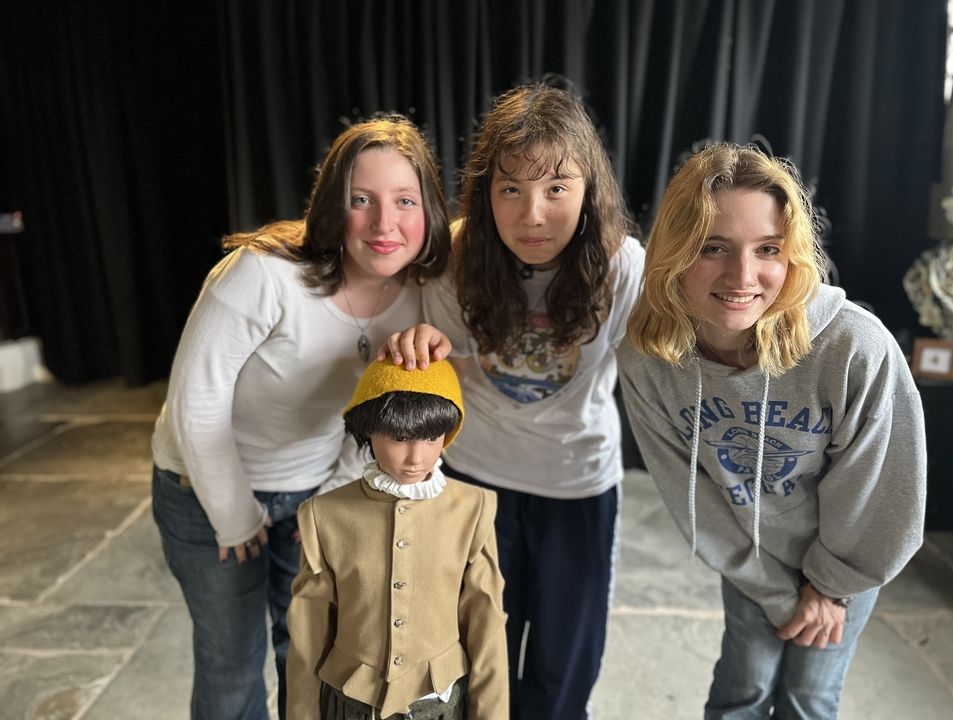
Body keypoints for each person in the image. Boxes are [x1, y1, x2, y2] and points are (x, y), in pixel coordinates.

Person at [150, 115, 451, 720]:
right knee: (231, 668)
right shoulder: (263, 275)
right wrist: (236, 517)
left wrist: (332, 492)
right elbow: (196, 401)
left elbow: (368, 416)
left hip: (312, 493)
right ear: (332, 205)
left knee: (314, 664)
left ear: (430, 212)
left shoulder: (421, 292)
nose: (384, 223)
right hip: (205, 493)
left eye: (405, 201)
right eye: (360, 200)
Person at [617, 142, 926, 719]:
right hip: (750, 554)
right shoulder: (647, 360)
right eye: (713, 248)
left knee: (808, 697)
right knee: (743, 687)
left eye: (767, 249)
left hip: (847, 559)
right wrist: (773, 589)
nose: (742, 275)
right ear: (675, 253)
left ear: (794, 257)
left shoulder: (854, 348)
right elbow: (690, 494)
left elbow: (882, 492)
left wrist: (830, 588)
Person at [387, 83, 646, 719]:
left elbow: (653, 371)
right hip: (477, 482)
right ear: (486, 192)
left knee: (563, 674)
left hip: (577, 485)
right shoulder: (456, 260)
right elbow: (446, 372)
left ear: (588, 191)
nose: (533, 214)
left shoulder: (621, 267)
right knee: (478, 663)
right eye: (511, 189)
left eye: (556, 188)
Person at [286, 358, 509, 719]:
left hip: (439, 703)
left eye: (432, 437)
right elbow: (308, 635)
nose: (416, 457)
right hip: (350, 702)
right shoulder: (322, 514)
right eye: (399, 437)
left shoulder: (473, 509)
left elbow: (486, 625)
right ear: (369, 429)